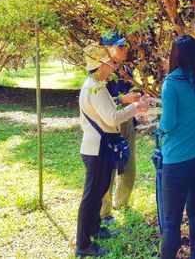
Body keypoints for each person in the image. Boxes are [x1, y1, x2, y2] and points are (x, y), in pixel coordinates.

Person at [75, 44, 148, 257]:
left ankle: (95, 228)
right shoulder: (95, 88)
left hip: (100, 146)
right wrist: (135, 109)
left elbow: (109, 112)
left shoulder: (97, 85)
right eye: (110, 62)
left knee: (98, 191)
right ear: (100, 66)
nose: (113, 66)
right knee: (91, 196)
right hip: (96, 148)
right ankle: (83, 244)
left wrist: (127, 105)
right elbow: (112, 118)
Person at [158, 27, 195, 259]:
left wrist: (156, 127)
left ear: (175, 56)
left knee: (171, 221)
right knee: (194, 211)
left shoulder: (171, 83)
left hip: (177, 162)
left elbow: (168, 123)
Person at [100, 31, 141, 225]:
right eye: (119, 46)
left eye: (125, 45)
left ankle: (122, 203)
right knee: (107, 170)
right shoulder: (101, 72)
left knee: (129, 167)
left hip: (127, 121)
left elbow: (130, 92)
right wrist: (121, 100)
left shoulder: (126, 69)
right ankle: (104, 213)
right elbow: (99, 102)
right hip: (108, 124)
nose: (124, 49)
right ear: (108, 49)